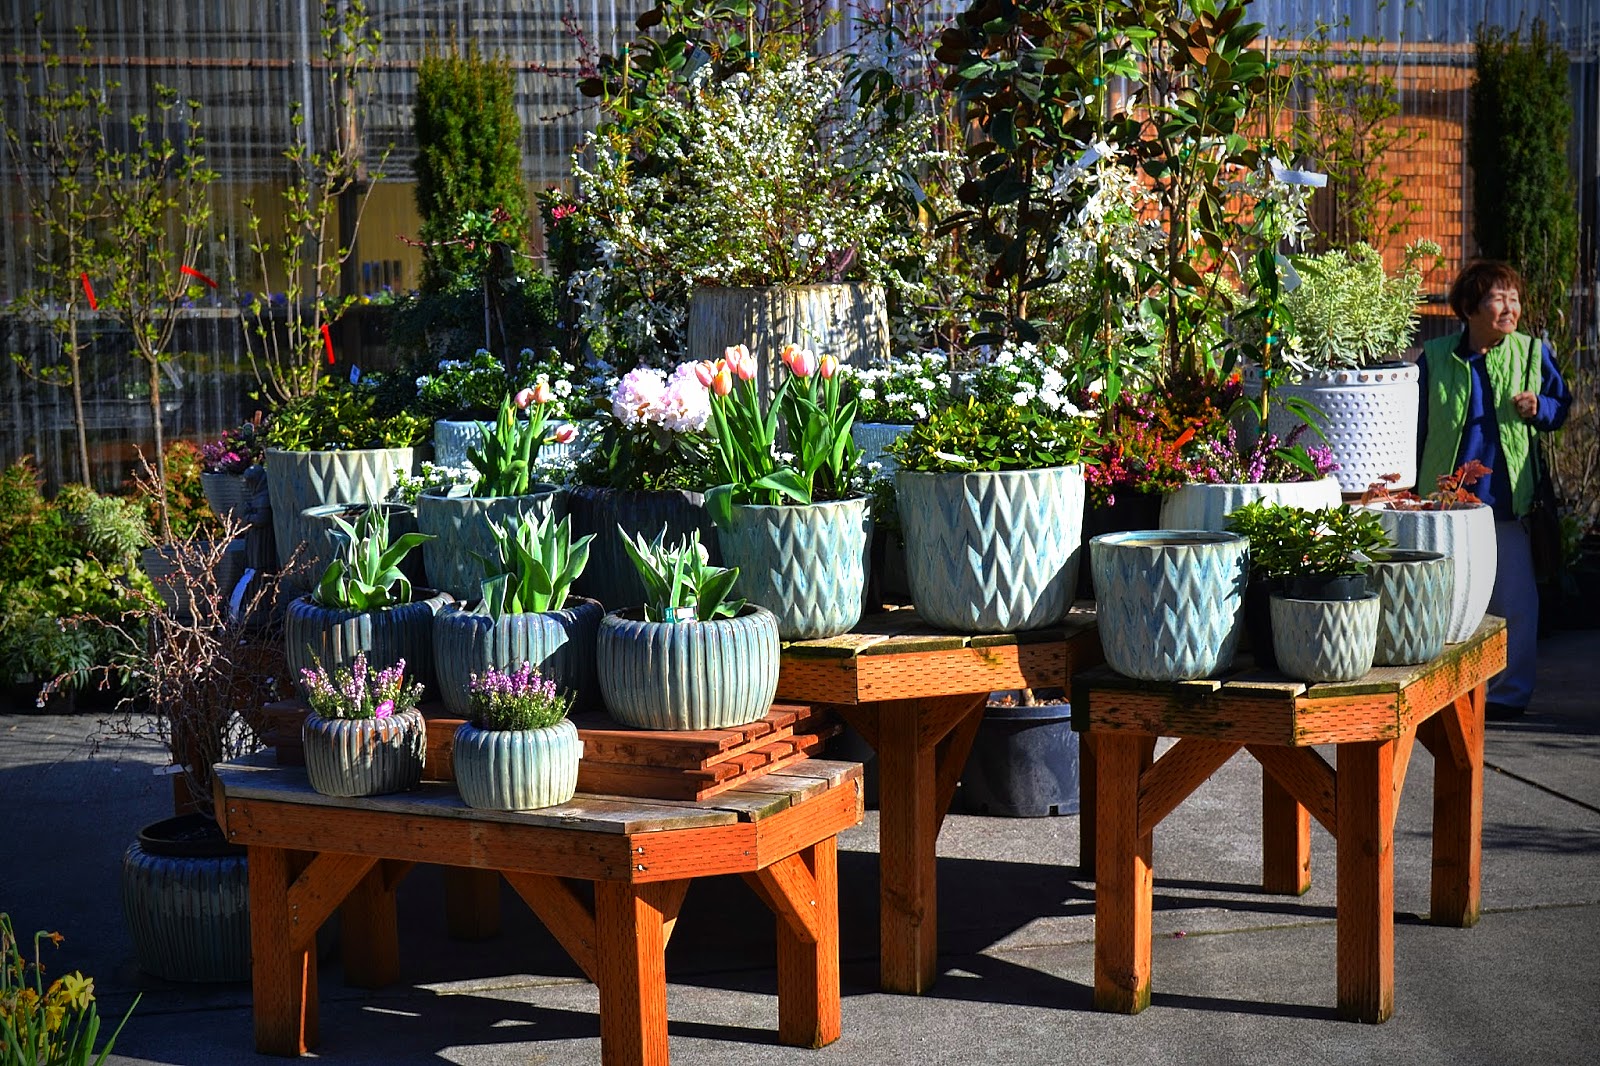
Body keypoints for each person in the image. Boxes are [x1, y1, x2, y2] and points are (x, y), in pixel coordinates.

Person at [1416, 260, 1572, 720]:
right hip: (1448, 504)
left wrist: (1539, 406)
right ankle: (1442, 694)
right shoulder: (1437, 356)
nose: (1511, 308)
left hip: (1507, 501)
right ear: (1468, 308)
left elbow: (1561, 408)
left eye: (1515, 299)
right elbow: (1417, 423)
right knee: (1448, 603)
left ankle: (1507, 697)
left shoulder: (1530, 353)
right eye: (1498, 298)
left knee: (1516, 603)